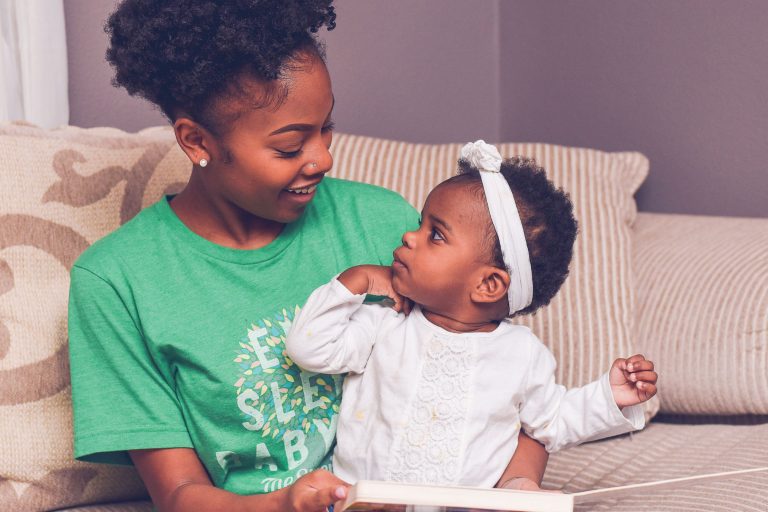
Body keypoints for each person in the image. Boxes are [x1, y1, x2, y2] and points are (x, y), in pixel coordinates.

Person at [67, 2, 549, 511]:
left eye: (326, 128)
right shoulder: (116, 281)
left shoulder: (385, 223)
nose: (322, 158)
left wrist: (518, 488)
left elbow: (503, 383)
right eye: (290, 146)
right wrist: (280, 505)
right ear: (196, 141)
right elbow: (180, 493)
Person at [285, 141, 659, 487]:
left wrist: (610, 396)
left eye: (435, 234)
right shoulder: (386, 323)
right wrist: (354, 282)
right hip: (364, 503)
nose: (408, 237)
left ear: (488, 286)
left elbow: (552, 422)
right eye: (420, 224)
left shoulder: (522, 354)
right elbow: (309, 349)